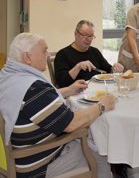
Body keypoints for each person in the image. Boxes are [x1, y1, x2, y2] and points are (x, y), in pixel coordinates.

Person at [0, 33, 115, 178]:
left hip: (16, 157)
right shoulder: (33, 88)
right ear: (27, 58)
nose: (47, 55)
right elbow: (72, 124)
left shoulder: (9, 76)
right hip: (37, 164)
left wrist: (68, 90)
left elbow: (35, 104)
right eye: (44, 51)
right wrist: (102, 105)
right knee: (99, 148)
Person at [54, 20, 124, 88]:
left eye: (91, 36)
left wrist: (115, 69)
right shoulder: (62, 54)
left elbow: (108, 70)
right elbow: (61, 83)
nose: (88, 39)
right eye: (85, 35)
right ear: (75, 34)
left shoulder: (95, 51)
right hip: (76, 94)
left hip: (98, 90)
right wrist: (78, 67)